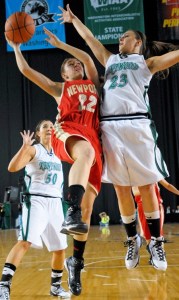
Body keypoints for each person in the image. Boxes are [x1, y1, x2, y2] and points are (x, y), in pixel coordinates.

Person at [58, 4, 179, 272]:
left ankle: (156, 241)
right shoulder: (110, 60)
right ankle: (131, 239)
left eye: (125, 36)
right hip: (110, 129)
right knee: (121, 188)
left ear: (138, 41)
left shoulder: (148, 63)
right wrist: (74, 19)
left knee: (147, 186)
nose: (120, 39)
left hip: (137, 125)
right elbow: (90, 39)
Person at [5, 29, 102, 296]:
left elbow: (90, 61)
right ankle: (4, 285)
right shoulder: (61, 89)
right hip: (69, 135)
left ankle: (72, 267)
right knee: (28, 241)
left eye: (76, 63)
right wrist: (15, 47)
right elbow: (27, 72)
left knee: (85, 214)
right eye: (68, 65)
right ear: (63, 76)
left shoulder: (93, 82)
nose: (75, 63)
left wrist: (62, 45)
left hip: (92, 142)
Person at [0, 120, 70, 300]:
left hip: (55, 203)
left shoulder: (57, 155)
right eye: (45, 127)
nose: (49, 129)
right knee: (25, 242)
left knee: (60, 248)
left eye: (51, 127)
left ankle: (55, 287)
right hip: (37, 201)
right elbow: (12, 167)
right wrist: (24, 147)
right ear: (38, 133)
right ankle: (4, 285)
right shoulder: (34, 150)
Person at [133, 179, 179, 245]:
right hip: (143, 206)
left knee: (159, 235)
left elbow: (168, 185)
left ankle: (160, 252)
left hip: (157, 206)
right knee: (147, 235)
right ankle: (152, 252)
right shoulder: (134, 176)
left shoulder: (154, 173)